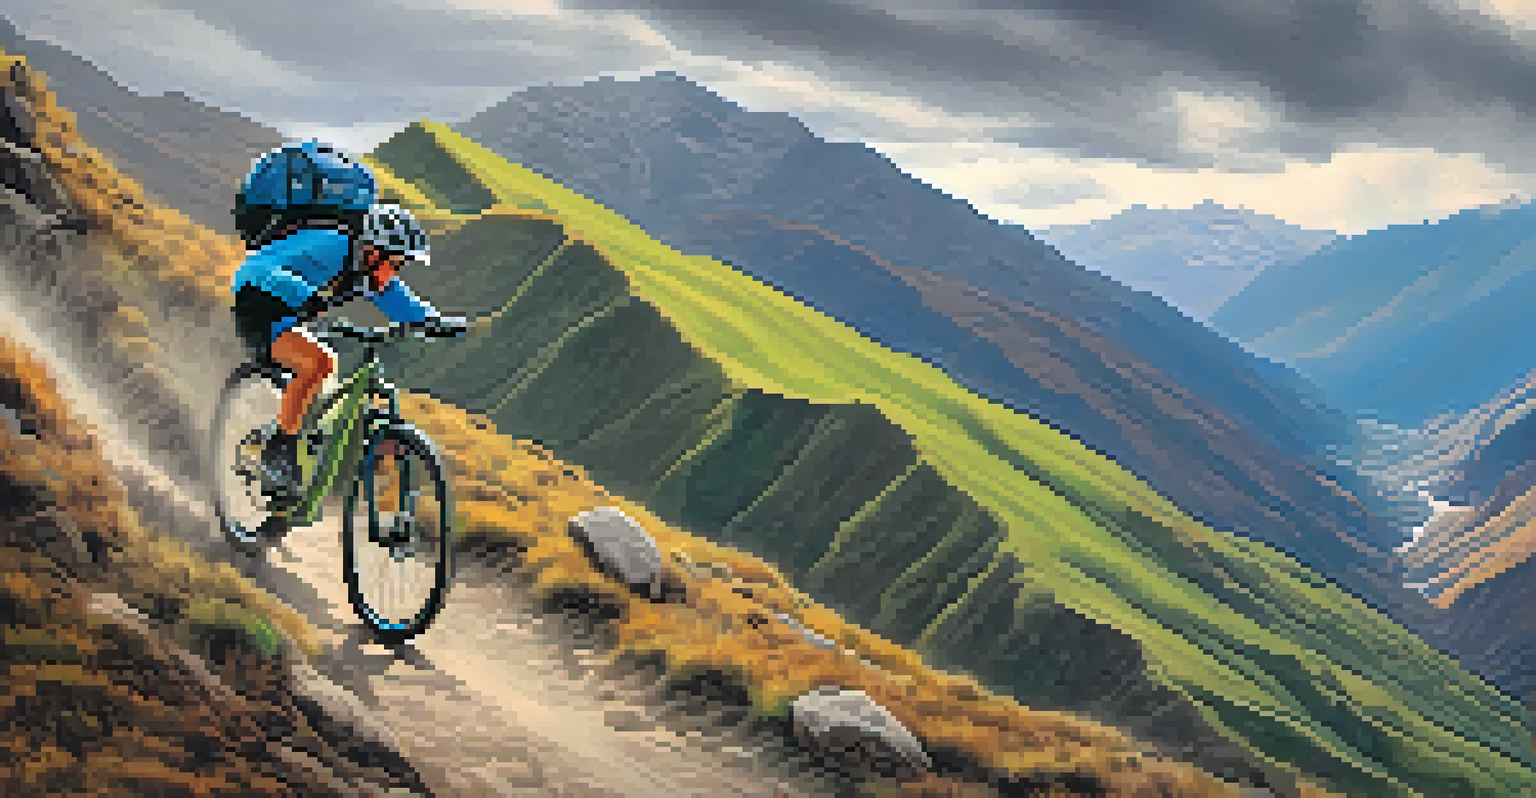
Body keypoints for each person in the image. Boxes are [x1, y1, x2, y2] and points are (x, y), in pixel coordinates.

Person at [229, 142, 464, 512]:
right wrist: (305, 294)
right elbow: (258, 269)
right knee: (317, 363)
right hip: (257, 299)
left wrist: (433, 321)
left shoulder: (367, 268)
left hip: (289, 309)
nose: (394, 272)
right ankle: (277, 453)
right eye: (394, 262)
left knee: (326, 368)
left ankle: (292, 455)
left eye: (400, 266)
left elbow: (399, 301)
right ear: (373, 250)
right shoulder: (333, 245)